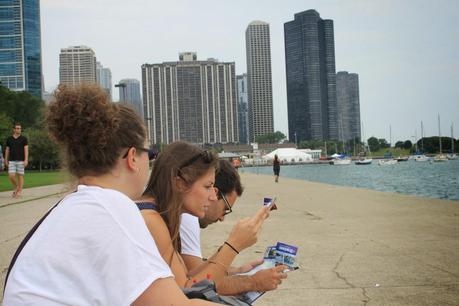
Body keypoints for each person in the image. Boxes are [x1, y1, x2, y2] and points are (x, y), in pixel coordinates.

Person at [3, 84, 217, 305]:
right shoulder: (113, 208)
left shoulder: (70, 207)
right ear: (132, 157)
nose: (150, 162)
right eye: (149, 153)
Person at [137, 142, 287, 296]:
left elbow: (187, 276)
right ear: (179, 183)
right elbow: (187, 290)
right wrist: (234, 245)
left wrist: (242, 273)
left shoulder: (157, 215)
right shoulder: (151, 220)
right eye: (208, 186)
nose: (213, 196)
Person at [180, 159, 287, 294]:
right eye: (225, 208)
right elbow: (196, 285)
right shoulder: (186, 218)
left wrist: (237, 271)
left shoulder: (176, 214)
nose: (222, 218)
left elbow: (194, 272)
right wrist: (234, 245)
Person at [5, 123, 28, 197]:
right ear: (14, 129)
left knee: (20, 176)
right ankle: (16, 187)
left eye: (20, 128)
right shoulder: (9, 139)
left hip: (21, 160)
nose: (19, 130)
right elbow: (7, 150)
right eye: (17, 128)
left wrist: (26, 160)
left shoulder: (24, 139)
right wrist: (6, 159)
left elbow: (26, 150)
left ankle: (19, 192)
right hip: (11, 160)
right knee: (11, 176)